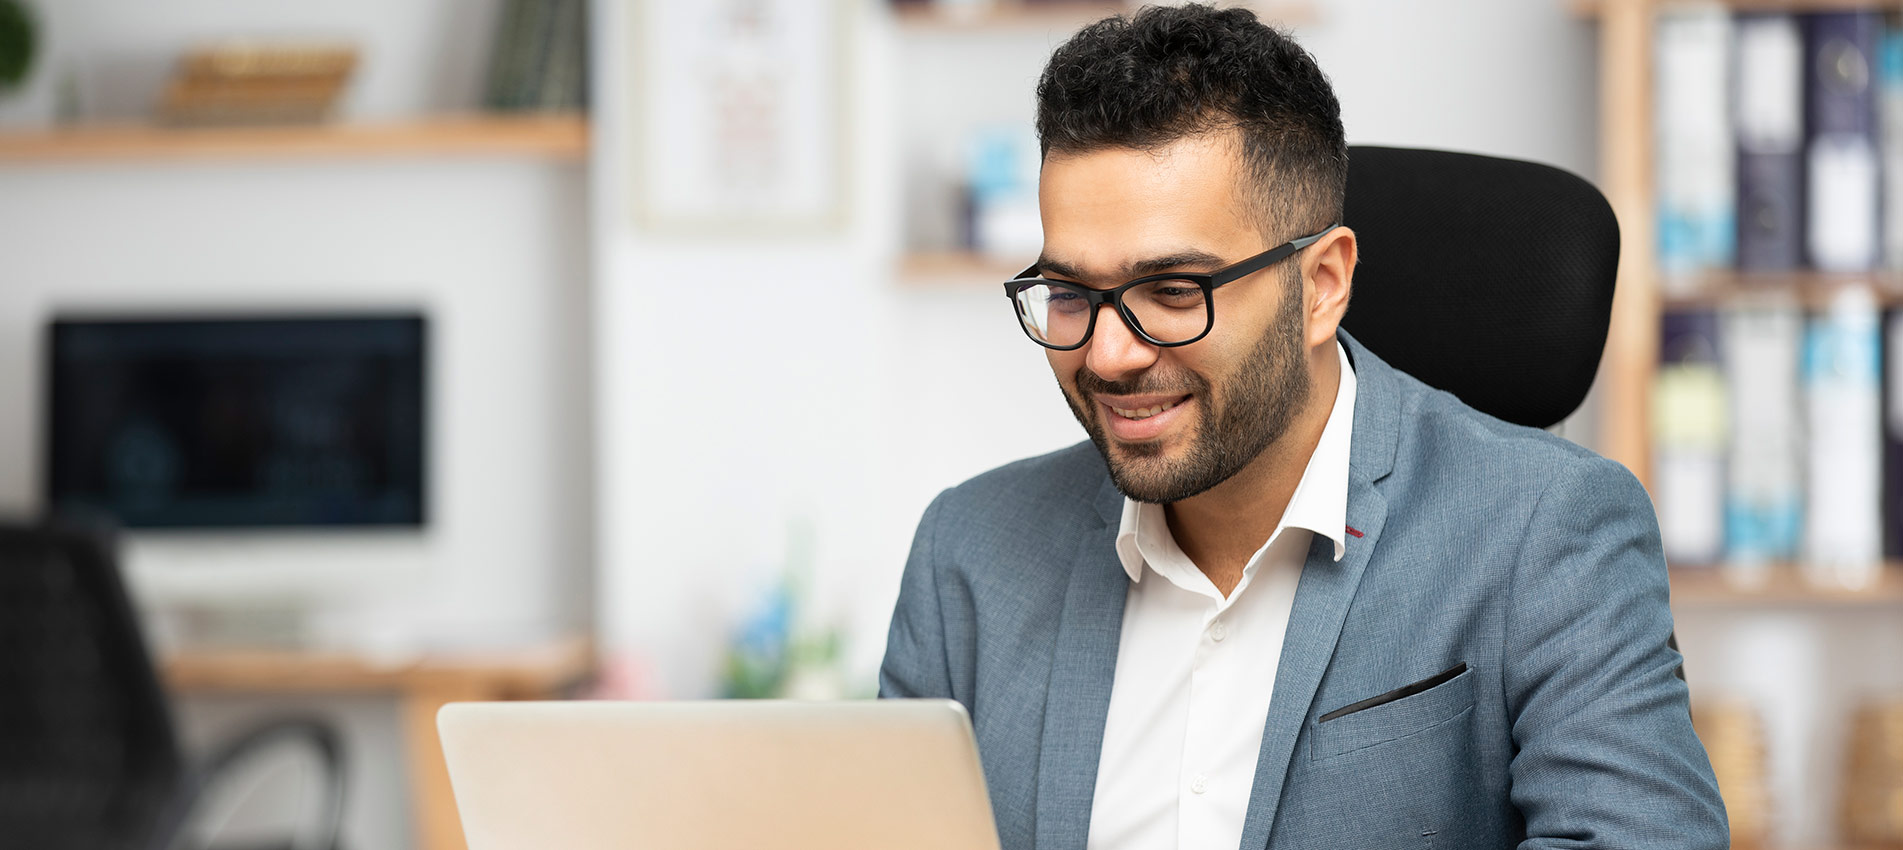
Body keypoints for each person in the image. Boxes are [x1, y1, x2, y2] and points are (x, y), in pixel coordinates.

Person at [879, 5, 1727, 850]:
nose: (1107, 354)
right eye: (1069, 293)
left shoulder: (1546, 529)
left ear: (1321, 284)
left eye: (1173, 292)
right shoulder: (970, 551)